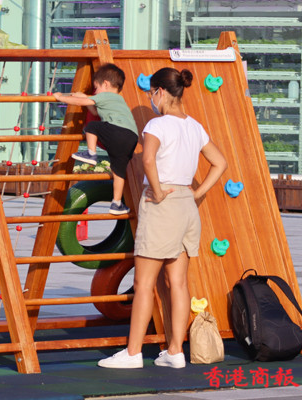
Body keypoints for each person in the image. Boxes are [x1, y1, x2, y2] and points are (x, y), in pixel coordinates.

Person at [97, 67, 227, 369]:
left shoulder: (157, 124)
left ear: (160, 92)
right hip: (185, 206)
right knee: (177, 282)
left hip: (163, 203)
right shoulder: (194, 126)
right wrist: (197, 193)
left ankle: (133, 353)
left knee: (143, 283)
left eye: (150, 93)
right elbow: (220, 163)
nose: (149, 99)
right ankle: (175, 351)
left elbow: (147, 159)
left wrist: (156, 190)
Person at [53, 63, 139, 215]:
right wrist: (86, 97)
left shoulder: (106, 95)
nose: (96, 92)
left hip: (118, 131)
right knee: (119, 172)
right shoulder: (119, 100)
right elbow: (94, 110)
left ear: (105, 84)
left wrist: (61, 97)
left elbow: (81, 103)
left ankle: (91, 153)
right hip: (131, 138)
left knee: (92, 126)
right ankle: (116, 204)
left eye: (96, 88)